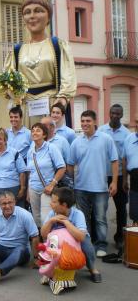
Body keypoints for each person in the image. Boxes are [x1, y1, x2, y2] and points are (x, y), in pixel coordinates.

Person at [4, 0, 76, 127]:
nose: (32, 16)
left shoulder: (58, 46)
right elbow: (9, 82)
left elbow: (68, 79)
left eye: (38, 11)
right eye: (27, 12)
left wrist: (60, 103)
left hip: (51, 106)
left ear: (48, 17)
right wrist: (15, 95)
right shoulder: (17, 50)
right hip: (25, 108)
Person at [68, 110, 118, 257]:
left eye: (88, 121)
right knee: (83, 219)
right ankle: (87, 244)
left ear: (95, 122)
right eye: (82, 121)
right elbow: (70, 164)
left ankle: (101, 245)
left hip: (101, 188)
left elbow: (114, 161)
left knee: (100, 218)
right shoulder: (77, 142)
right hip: (81, 188)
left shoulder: (106, 139)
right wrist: (73, 181)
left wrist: (114, 182)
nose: (85, 124)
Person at [41, 187, 102, 283]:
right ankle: (49, 272)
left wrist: (67, 223)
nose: (50, 203)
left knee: (86, 244)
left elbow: (81, 236)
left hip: (74, 240)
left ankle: (92, 268)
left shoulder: (78, 214)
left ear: (64, 205)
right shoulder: (52, 214)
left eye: (54, 202)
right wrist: (51, 221)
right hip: (57, 240)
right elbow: (44, 235)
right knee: (47, 245)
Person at [98, 104, 130, 247]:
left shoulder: (127, 134)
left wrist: (125, 179)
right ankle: (98, 237)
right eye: (113, 113)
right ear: (109, 113)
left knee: (121, 208)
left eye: (118, 114)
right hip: (102, 176)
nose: (115, 116)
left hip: (120, 176)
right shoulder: (101, 130)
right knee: (99, 208)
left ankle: (120, 238)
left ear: (122, 115)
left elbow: (127, 157)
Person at [26, 123, 66, 227]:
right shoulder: (30, 151)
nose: (34, 132)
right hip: (33, 189)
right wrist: (28, 191)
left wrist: (52, 184)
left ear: (44, 135)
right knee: (36, 218)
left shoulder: (51, 148)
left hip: (47, 189)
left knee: (46, 218)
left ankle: (49, 241)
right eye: (33, 130)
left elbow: (62, 167)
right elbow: (30, 172)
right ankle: (39, 241)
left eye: (38, 130)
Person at [0, 128, 27, 209]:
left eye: (0, 139)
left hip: (14, 189)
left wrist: (22, 189)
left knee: (16, 213)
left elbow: (22, 172)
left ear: (5, 140)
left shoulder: (14, 153)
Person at [122, 115, 138, 226]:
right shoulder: (129, 138)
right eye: (137, 122)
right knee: (135, 214)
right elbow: (124, 159)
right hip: (134, 179)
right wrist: (124, 180)